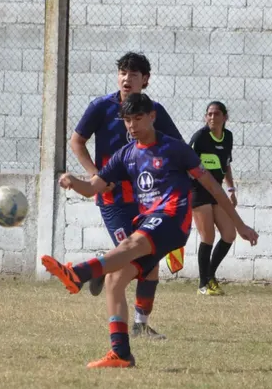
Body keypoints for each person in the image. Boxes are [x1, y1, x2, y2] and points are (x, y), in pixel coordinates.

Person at [43, 93, 258, 368]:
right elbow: (94, 187)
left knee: (132, 244)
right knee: (115, 281)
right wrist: (73, 181)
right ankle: (121, 352)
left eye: (137, 119)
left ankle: (79, 273)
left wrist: (239, 225)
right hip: (148, 222)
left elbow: (213, 187)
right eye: (127, 120)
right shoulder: (126, 155)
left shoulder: (175, 149)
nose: (131, 126)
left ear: (152, 117)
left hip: (172, 219)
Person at [70, 52, 183, 340]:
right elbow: (77, 141)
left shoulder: (153, 111)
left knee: (150, 260)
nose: (126, 78)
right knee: (131, 255)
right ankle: (101, 272)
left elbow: (176, 147)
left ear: (145, 80)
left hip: (148, 201)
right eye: (122, 72)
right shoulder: (100, 107)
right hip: (114, 200)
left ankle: (140, 324)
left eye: (133, 74)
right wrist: (95, 174)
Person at [189, 101, 236, 296]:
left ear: (225, 117)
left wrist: (231, 188)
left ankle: (210, 275)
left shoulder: (228, 137)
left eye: (217, 114)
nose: (212, 117)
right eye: (209, 114)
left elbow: (226, 164)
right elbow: (186, 163)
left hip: (217, 191)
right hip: (199, 191)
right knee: (208, 236)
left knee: (229, 234)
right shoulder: (200, 138)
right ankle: (203, 284)